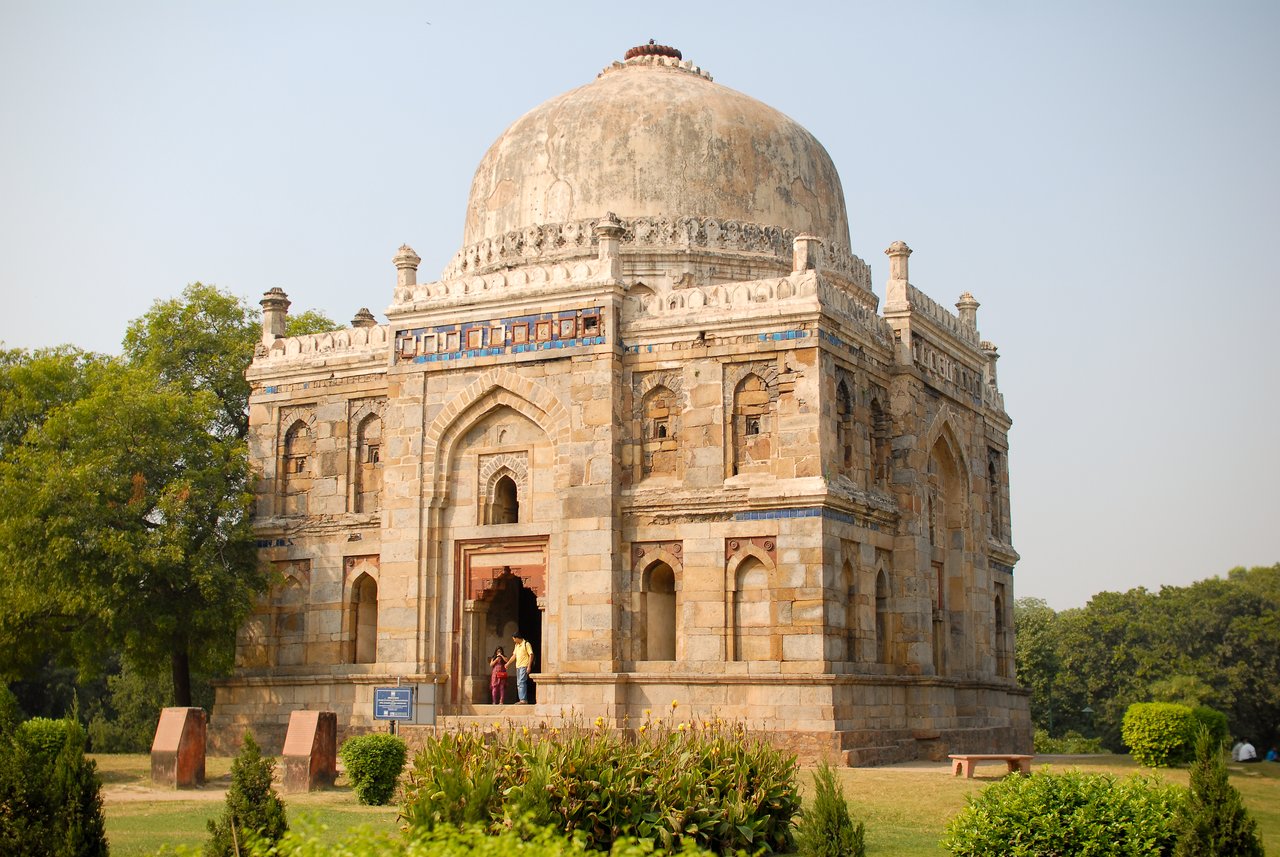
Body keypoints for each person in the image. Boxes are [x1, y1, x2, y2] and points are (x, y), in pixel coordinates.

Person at [506, 632, 535, 704]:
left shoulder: (526, 644)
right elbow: (514, 656)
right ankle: (521, 699)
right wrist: (508, 663)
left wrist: (529, 666)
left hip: (524, 665)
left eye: (514, 639)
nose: (513, 641)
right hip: (518, 666)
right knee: (519, 683)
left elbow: (531, 655)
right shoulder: (517, 645)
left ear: (517, 638)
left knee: (522, 682)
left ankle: (523, 700)